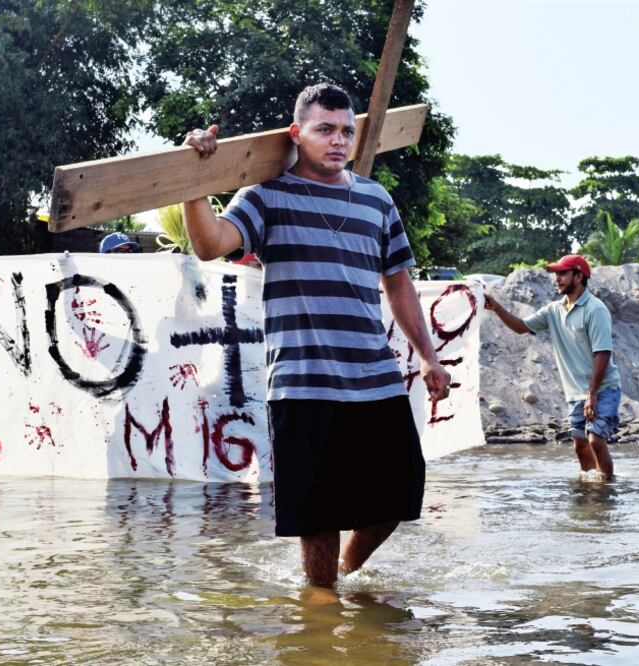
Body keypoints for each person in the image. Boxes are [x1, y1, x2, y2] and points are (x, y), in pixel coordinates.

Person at [180, 83, 451, 587]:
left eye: (347, 131)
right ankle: (321, 609)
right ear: (296, 134)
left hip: (375, 376)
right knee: (318, 514)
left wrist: (429, 358)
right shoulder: (266, 198)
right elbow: (210, 244)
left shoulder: (376, 200)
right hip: (303, 381)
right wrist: (198, 180)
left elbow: (399, 284)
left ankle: (346, 572)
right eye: (325, 129)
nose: (338, 140)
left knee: (402, 493)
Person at [483, 254, 621, 479]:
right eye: (556, 274)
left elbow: (603, 353)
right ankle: (589, 490)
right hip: (575, 392)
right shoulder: (553, 310)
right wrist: (496, 308)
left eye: (563, 273)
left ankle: (607, 487)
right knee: (580, 446)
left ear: (579, 276)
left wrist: (591, 394)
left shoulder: (595, 309)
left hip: (602, 389)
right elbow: (520, 327)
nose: (557, 279)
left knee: (595, 439)